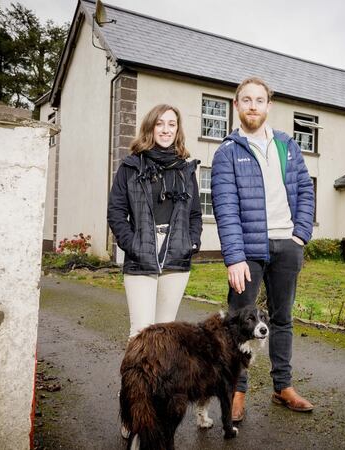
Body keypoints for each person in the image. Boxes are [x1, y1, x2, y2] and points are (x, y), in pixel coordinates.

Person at [211, 77, 316, 422]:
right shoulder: (227, 151)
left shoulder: (288, 145)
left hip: (287, 246)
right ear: (236, 105)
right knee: (237, 324)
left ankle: (282, 387)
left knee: (282, 319)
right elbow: (225, 207)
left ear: (269, 106)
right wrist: (234, 256)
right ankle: (236, 393)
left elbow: (305, 191)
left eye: (260, 100)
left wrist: (300, 235)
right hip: (248, 251)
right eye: (247, 100)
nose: (253, 106)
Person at [107, 103, 202, 339]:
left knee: (165, 333)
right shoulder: (131, 167)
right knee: (141, 332)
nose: (166, 130)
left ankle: (160, 378)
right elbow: (116, 211)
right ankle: (136, 378)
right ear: (150, 128)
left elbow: (195, 214)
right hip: (141, 254)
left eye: (171, 124)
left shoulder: (185, 170)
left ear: (178, 130)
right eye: (160, 124)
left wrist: (192, 242)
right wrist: (132, 243)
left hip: (176, 254)